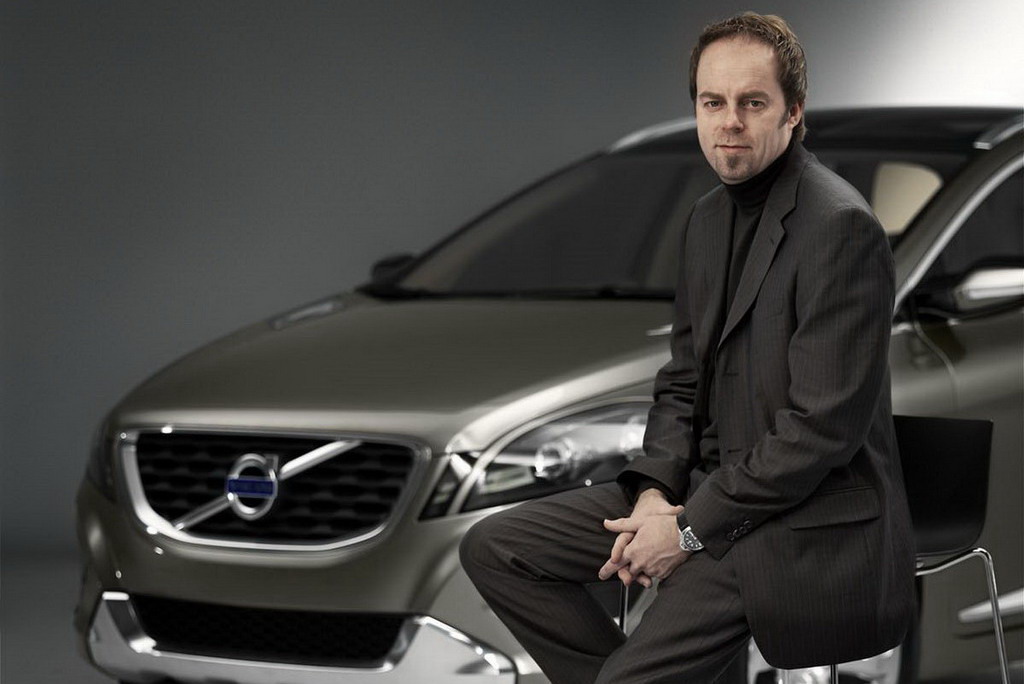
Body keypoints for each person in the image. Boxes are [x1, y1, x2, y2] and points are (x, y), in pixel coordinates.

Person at [459, 12, 916, 684]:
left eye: (752, 103)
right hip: (701, 496)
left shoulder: (839, 227)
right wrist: (653, 495)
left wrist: (689, 528)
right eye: (712, 102)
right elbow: (681, 383)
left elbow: (819, 431)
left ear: (793, 112)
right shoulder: (707, 220)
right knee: (498, 548)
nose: (729, 122)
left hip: (790, 518)